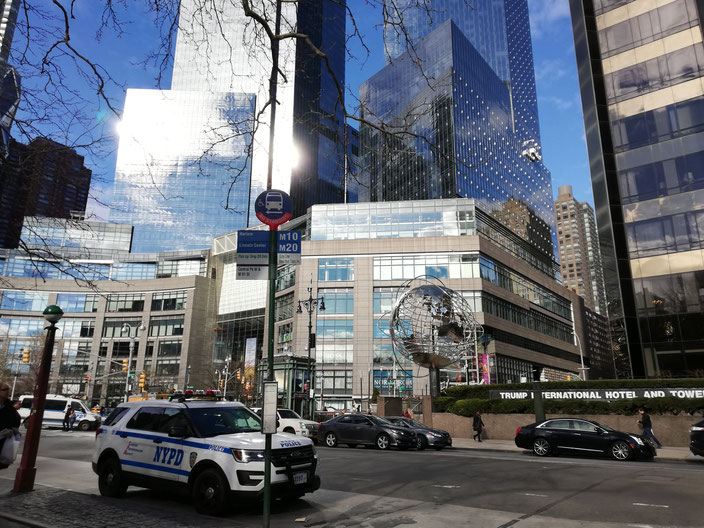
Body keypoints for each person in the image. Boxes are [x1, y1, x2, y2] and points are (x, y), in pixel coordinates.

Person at [0, 381, 21, 469]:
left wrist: (14, 431)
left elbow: (16, 422)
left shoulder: (9, 407)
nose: (8, 392)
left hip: (4, 444)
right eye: (5, 389)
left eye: (9, 389)